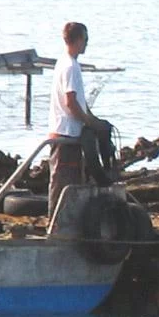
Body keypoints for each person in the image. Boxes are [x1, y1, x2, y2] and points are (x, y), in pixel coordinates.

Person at [48, 22, 105, 215]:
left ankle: (68, 221)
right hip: (65, 133)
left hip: (71, 133)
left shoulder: (67, 63)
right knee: (63, 184)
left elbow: (80, 101)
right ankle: (56, 223)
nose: (87, 43)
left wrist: (95, 121)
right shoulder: (70, 66)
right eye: (85, 39)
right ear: (78, 39)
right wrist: (88, 122)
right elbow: (71, 102)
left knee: (72, 180)